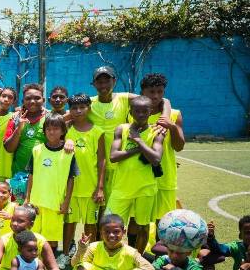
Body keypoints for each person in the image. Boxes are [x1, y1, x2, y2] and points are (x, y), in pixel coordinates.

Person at [88, 66, 171, 196]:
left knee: (118, 203)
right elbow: (68, 116)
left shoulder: (123, 98)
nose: (103, 85)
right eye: (99, 82)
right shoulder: (89, 103)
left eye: (107, 81)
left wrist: (165, 116)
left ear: (114, 81)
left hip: (120, 160)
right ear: (93, 84)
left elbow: (160, 100)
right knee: (98, 202)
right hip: (96, 162)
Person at [107, 96, 165, 252]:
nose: (140, 114)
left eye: (144, 111)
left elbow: (156, 159)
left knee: (143, 227)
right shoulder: (122, 129)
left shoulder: (157, 132)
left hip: (145, 188)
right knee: (111, 225)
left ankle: (137, 259)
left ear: (150, 111)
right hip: (121, 187)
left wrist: (139, 140)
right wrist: (138, 149)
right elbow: (113, 157)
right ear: (131, 111)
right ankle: (114, 257)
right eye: (137, 111)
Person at [25, 114, 77, 256]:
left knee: (52, 239)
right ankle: (35, 265)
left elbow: (70, 179)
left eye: (55, 129)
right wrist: (27, 198)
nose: (51, 132)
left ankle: (49, 266)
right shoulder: (37, 150)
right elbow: (31, 175)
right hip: (36, 202)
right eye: (48, 129)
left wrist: (66, 202)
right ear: (44, 130)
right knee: (33, 236)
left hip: (55, 204)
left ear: (62, 131)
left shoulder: (69, 153)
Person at [63, 93, 106, 259]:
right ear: (70, 110)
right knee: (69, 222)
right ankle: (65, 254)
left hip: (91, 187)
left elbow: (102, 160)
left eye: (82, 107)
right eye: (74, 108)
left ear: (89, 108)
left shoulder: (97, 132)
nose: (78, 111)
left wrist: (100, 187)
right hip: (70, 187)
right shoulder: (65, 129)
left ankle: (90, 255)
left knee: (91, 224)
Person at [140, 73, 185, 222]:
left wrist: (172, 127)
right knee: (141, 220)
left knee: (164, 221)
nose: (155, 96)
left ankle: (161, 246)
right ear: (142, 92)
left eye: (160, 92)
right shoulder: (134, 113)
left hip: (165, 176)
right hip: (140, 176)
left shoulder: (174, 114)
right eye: (151, 92)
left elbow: (178, 147)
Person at [4, 84, 48, 180]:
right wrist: (19, 128)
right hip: (19, 175)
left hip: (44, 175)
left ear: (43, 100)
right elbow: (8, 148)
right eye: (28, 98)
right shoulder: (15, 118)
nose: (32, 101)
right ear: (23, 101)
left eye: (37, 98)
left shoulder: (50, 118)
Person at [0, 87, 16, 181]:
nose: (6, 99)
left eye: (10, 97)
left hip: (5, 167)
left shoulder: (14, 117)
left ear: (13, 102)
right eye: (3, 96)